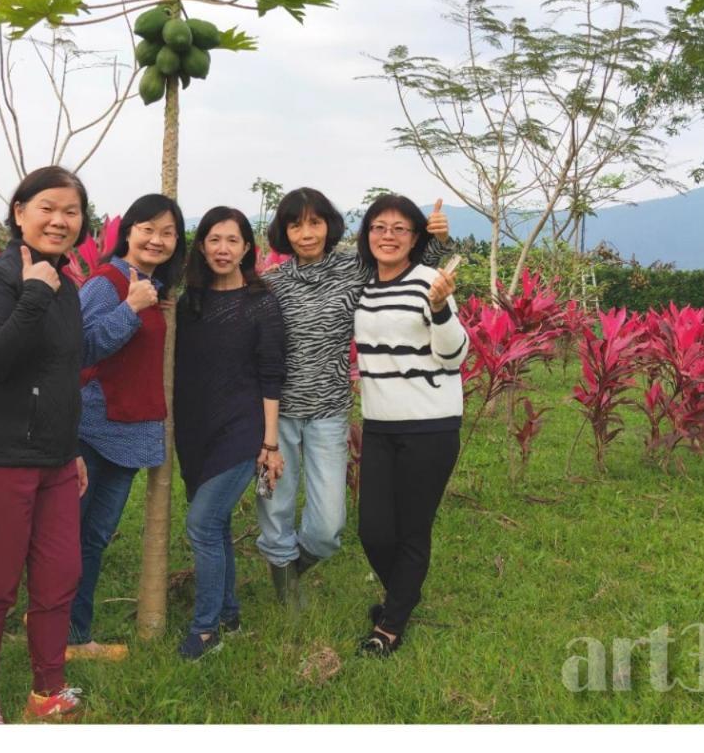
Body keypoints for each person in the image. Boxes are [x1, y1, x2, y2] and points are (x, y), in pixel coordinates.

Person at [257, 189, 453, 605]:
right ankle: (285, 593)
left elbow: (410, 267)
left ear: (329, 224)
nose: (306, 233)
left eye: (315, 222)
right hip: (273, 415)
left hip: (329, 411)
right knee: (274, 507)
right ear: (283, 231)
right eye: (295, 224)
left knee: (328, 526)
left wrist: (435, 237)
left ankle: (291, 568)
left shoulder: (354, 266)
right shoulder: (271, 284)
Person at [0, 165, 92, 723]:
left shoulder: (68, 287)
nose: (60, 220)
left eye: (72, 211)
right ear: (19, 212)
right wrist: (34, 293)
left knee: (59, 577)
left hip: (54, 460)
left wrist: (72, 445)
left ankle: (47, 691)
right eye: (48, 208)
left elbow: (62, 374)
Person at [65, 194, 186, 661]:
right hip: (93, 429)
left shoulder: (153, 286)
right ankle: (72, 638)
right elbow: (77, 350)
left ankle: (58, 624)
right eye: (147, 228)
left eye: (168, 232)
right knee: (80, 538)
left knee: (92, 537)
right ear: (128, 232)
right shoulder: (107, 282)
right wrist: (130, 308)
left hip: (129, 429)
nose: (157, 239)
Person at [352, 192, 468, 657]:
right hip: (379, 423)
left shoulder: (429, 281)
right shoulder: (362, 285)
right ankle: (404, 595)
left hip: (431, 423)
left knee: (412, 528)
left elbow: (454, 354)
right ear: (367, 234)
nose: (388, 236)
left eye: (400, 229)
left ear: (415, 238)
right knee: (373, 530)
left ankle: (391, 625)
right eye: (379, 227)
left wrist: (440, 308)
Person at [173, 207, 286, 660]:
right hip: (195, 427)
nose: (223, 248)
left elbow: (272, 373)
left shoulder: (262, 301)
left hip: (242, 430)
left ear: (246, 248)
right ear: (202, 246)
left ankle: (205, 632)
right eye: (214, 239)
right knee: (215, 524)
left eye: (232, 240)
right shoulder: (189, 302)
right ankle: (230, 616)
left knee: (201, 524)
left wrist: (270, 443)